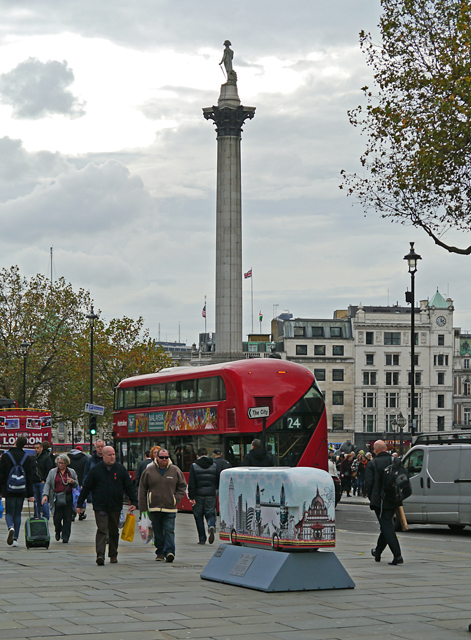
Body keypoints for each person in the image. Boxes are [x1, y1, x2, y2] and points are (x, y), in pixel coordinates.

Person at [76, 446, 137, 565]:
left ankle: (113, 554)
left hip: (115, 505)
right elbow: (86, 487)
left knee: (114, 531)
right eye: (109, 455)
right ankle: (100, 555)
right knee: (102, 530)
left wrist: (134, 502)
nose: (112, 457)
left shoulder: (120, 469)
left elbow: (129, 487)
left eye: (114, 454)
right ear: (103, 456)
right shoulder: (96, 470)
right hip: (100, 506)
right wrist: (80, 504)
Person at [138, 448, 186, 563]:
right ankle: (160, 552)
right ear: (156, 458)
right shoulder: (149, 471)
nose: (164, 460)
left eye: (166, 457)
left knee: (169, 530)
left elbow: (182, 486)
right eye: (162, 457)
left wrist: (176, 498)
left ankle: (170, 552)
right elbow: (142, 489)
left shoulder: (175, 470)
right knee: (158, 531)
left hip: (170, 508)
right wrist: (143, 507)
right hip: (154, 507)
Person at [365, 440, 404, 566]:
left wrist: (371, 497)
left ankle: (397, 555)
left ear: (376, 450)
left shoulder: (373, 463)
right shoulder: (396, 461)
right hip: (394, 498)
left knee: (386, 526)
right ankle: (377, 551)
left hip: (380, 500)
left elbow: (368, 484)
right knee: (385, 525)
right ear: (386, 449)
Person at [0, 436, 35, 546]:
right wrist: (31, 494)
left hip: (8, 488)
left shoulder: (6, 456)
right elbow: (30, 477)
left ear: (15, 442)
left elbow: (1, 474)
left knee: (9, 512)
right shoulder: (27, 458)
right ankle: (15, 539)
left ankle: (10, 527)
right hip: (21, 488)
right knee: (18, 513)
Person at [42, 454, 78, 543]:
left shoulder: (71, 472)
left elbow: (77, 484)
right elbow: (48, 483)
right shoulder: (53, 472)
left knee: (67, 518)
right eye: (59, 463)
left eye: (62, 463)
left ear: (66, 463)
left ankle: (66, 536)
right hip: (56, 497)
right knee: (57, 518)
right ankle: (58, 530)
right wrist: (45, 495)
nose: (60, 465)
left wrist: (73, 482)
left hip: (68, 497)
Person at [188, 447, 219, 545]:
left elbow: (191, 483)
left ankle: (202, 538)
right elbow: (217, 481)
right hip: (210, 494)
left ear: (197, 456)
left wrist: (191, 497)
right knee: (210, 513)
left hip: (198, 495)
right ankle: (211, 525)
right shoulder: (214, 466)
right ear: (207, 455)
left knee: (198, 517)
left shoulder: (194, 466)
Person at [67, 445, 89, 520]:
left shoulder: (68, 458)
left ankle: (72, 514)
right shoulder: (85, 458)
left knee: (72, 499)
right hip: (80, 482)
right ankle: (81, 514)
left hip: (70, 481)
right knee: (81, 498)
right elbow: (86, 471)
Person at [82, 439, 105, 505]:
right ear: (95, 448)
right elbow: (86, 475)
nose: (100, 448)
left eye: (102, 446)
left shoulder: (109, 459)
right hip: (94, 491)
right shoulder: (90, 460)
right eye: (98, 447)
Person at [35, 441, 54, 519]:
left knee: (44, 500)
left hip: (42, 482)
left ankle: (45, 517)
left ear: (41, 448)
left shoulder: (46, 458)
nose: (36, 450)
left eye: (37, 448)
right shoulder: (35, 458)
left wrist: (44, 480)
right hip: (35, 481)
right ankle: (37, 516)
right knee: (36, 501)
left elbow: (49, 469)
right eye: (35, 448)